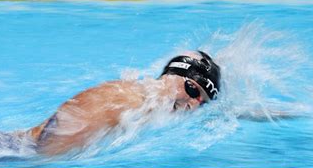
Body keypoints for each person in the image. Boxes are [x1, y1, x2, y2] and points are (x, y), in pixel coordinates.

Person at [27, 50, 221, 155]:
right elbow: (46, 145)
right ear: (171, 76)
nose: (193, 104)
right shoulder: (126, 99)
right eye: (193, 89)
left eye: (202, 102)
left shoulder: (145, 109)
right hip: (11, 152)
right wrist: (36, 163)